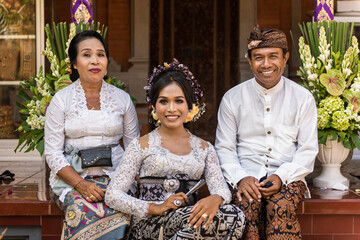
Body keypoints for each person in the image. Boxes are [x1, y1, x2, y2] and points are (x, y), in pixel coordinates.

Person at [105, 58, 245, 239]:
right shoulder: (141, 145)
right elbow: (113, 195)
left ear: (189, 105)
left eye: (178, 101)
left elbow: (222, 189)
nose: (171, 109)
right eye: (164, 101)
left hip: (188, 223)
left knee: (236, 216)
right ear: (154, 106)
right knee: (208, 221)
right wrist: (155, 207)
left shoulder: (204, 148)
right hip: (150, 225)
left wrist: (215, 198)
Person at [215, 25, 318, 240]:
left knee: (280, 207)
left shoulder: (303, 98)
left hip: (289, 176)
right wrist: (241, 177)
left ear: (285, 58)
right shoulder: (232, 98)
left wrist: (281, 176)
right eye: (258, 57)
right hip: (245, 173)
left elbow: (307, 149)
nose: (266, 64)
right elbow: (224, 147)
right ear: (249, 60)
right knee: (246, 209)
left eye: (273, 56)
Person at [44, 30, 139, 239]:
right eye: (86, 55)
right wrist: (81, 184)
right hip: (72, 180)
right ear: (75, 63)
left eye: (101, 54)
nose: (95, 61)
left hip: (116, 177)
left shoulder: (122, 99)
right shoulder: (61, 100)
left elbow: (135, 150)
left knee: (122, 210)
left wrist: (120, 184)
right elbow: (52, 154)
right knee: (82, 210)